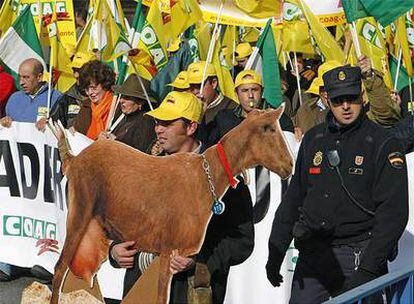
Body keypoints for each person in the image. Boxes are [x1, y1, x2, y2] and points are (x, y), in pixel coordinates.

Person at [266, 65, 408, 303]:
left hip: (358, 255)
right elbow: (293, 199)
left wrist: (368, 268)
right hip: (313, 254)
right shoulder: (314, 139)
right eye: (338, 99)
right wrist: (276, 250)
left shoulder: (383, 143)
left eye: (351, 98)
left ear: (361, 97)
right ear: (326, 99)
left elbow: (393, 213)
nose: (345, 106)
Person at [107, 91, 254, 304]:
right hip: (140, 291)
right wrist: (114, 250)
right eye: (158, 122)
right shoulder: (143, 169)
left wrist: (198, 260)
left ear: (191, 127)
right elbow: (118, 222)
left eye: (167, 123)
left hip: (187, 292)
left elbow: (242, 241)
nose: (158, 129)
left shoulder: (224, 178)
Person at [203, 70, 294, 148]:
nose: (250, 95)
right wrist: (200, 115)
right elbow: (206, 144)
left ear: (262, 91)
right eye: (245, 90)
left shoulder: (278, 119)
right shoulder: (224, 118)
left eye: (254, 90)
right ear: (236, 93)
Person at [98, 74, 156, 152]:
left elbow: (139, 152)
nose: (121, 101)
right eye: (122, 96)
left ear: (140, 102)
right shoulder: (122, 115)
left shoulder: (147, 121)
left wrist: (114, 142)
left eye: (127, 97)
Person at [2, 58, 61, 126]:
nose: (21, 82)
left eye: (26, 77)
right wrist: (4, 122)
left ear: (39, 77)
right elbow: (6, 124)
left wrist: (51, 123)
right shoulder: (14, 98)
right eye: (20, 77)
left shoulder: (56, 98)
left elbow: (65, 127)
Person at [72, 60, 115, 140]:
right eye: (86, 89)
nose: (90, 93)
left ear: (104, 84)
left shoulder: (117, 106)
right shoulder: (86, 107)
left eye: (93, 88)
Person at [50, 52, 93, 128]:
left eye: (80, 70)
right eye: (74, 70)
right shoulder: (66, 98)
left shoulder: (106, 97)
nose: (76, 75)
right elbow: (55, 125)